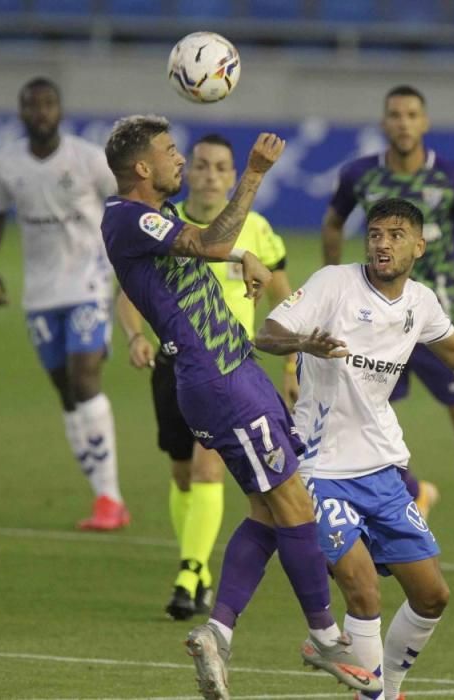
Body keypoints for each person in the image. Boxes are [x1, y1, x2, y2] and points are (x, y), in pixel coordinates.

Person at [100, 115, 381, 700]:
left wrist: (239, 264)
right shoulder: (125, 216)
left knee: (266, 510)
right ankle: (324, 636)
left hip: (235, 372)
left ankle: (219, 633)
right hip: (221, 382)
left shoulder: (153, 219)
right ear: (143, 168)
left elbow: (195, 258)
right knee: (293, 504)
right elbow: (209, 241)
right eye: (171, 152)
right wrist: (251, 175)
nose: (180, 160)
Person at [257, 198, 454, 699]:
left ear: (419, 245)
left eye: (395, 234)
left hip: (382, 469)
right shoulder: (334, 283)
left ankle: (385, 687)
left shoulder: (421, 301)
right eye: (374, 233)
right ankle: (374, 695)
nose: (382, 243)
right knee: (363, 589)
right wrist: (304, 343)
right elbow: (268, 333)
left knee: (433, 595)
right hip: (319, 468)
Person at [322, 84, 454, 580]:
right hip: (374, 326)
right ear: (384, 122)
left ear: (424, 122)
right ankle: (416, 494)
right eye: (394, 114)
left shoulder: (450, 177)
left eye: (411, 114)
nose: (403, 122)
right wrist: (333, 288)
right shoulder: (361, 175)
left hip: (435, 321)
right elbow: (332, 222)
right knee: (364, 426)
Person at [115, 132, 299, 621]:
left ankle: (190, 569)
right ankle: (196, 568)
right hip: (173, 362)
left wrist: (290, 360)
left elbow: (285, 295)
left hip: (227, 368)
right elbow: (129, 292)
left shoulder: (255, 226)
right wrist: (135, 336)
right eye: (200, 165)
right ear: (189, 172)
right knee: (181, 473)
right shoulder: (160, 223)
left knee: (206, 469)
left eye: (222, 167)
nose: (210, 174)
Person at [0, 76, 129, 530]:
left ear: (60, 111)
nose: (41, 112)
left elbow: (125, 198)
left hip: (89, 281)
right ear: (22, 112)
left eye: (48, 104)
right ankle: (102, 493)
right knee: (66, 392)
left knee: (85, 379)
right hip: (41, 293)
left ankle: (110, 499)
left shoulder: (86, 159)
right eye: (32, 105)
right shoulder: (7, 164)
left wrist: (130, 257)